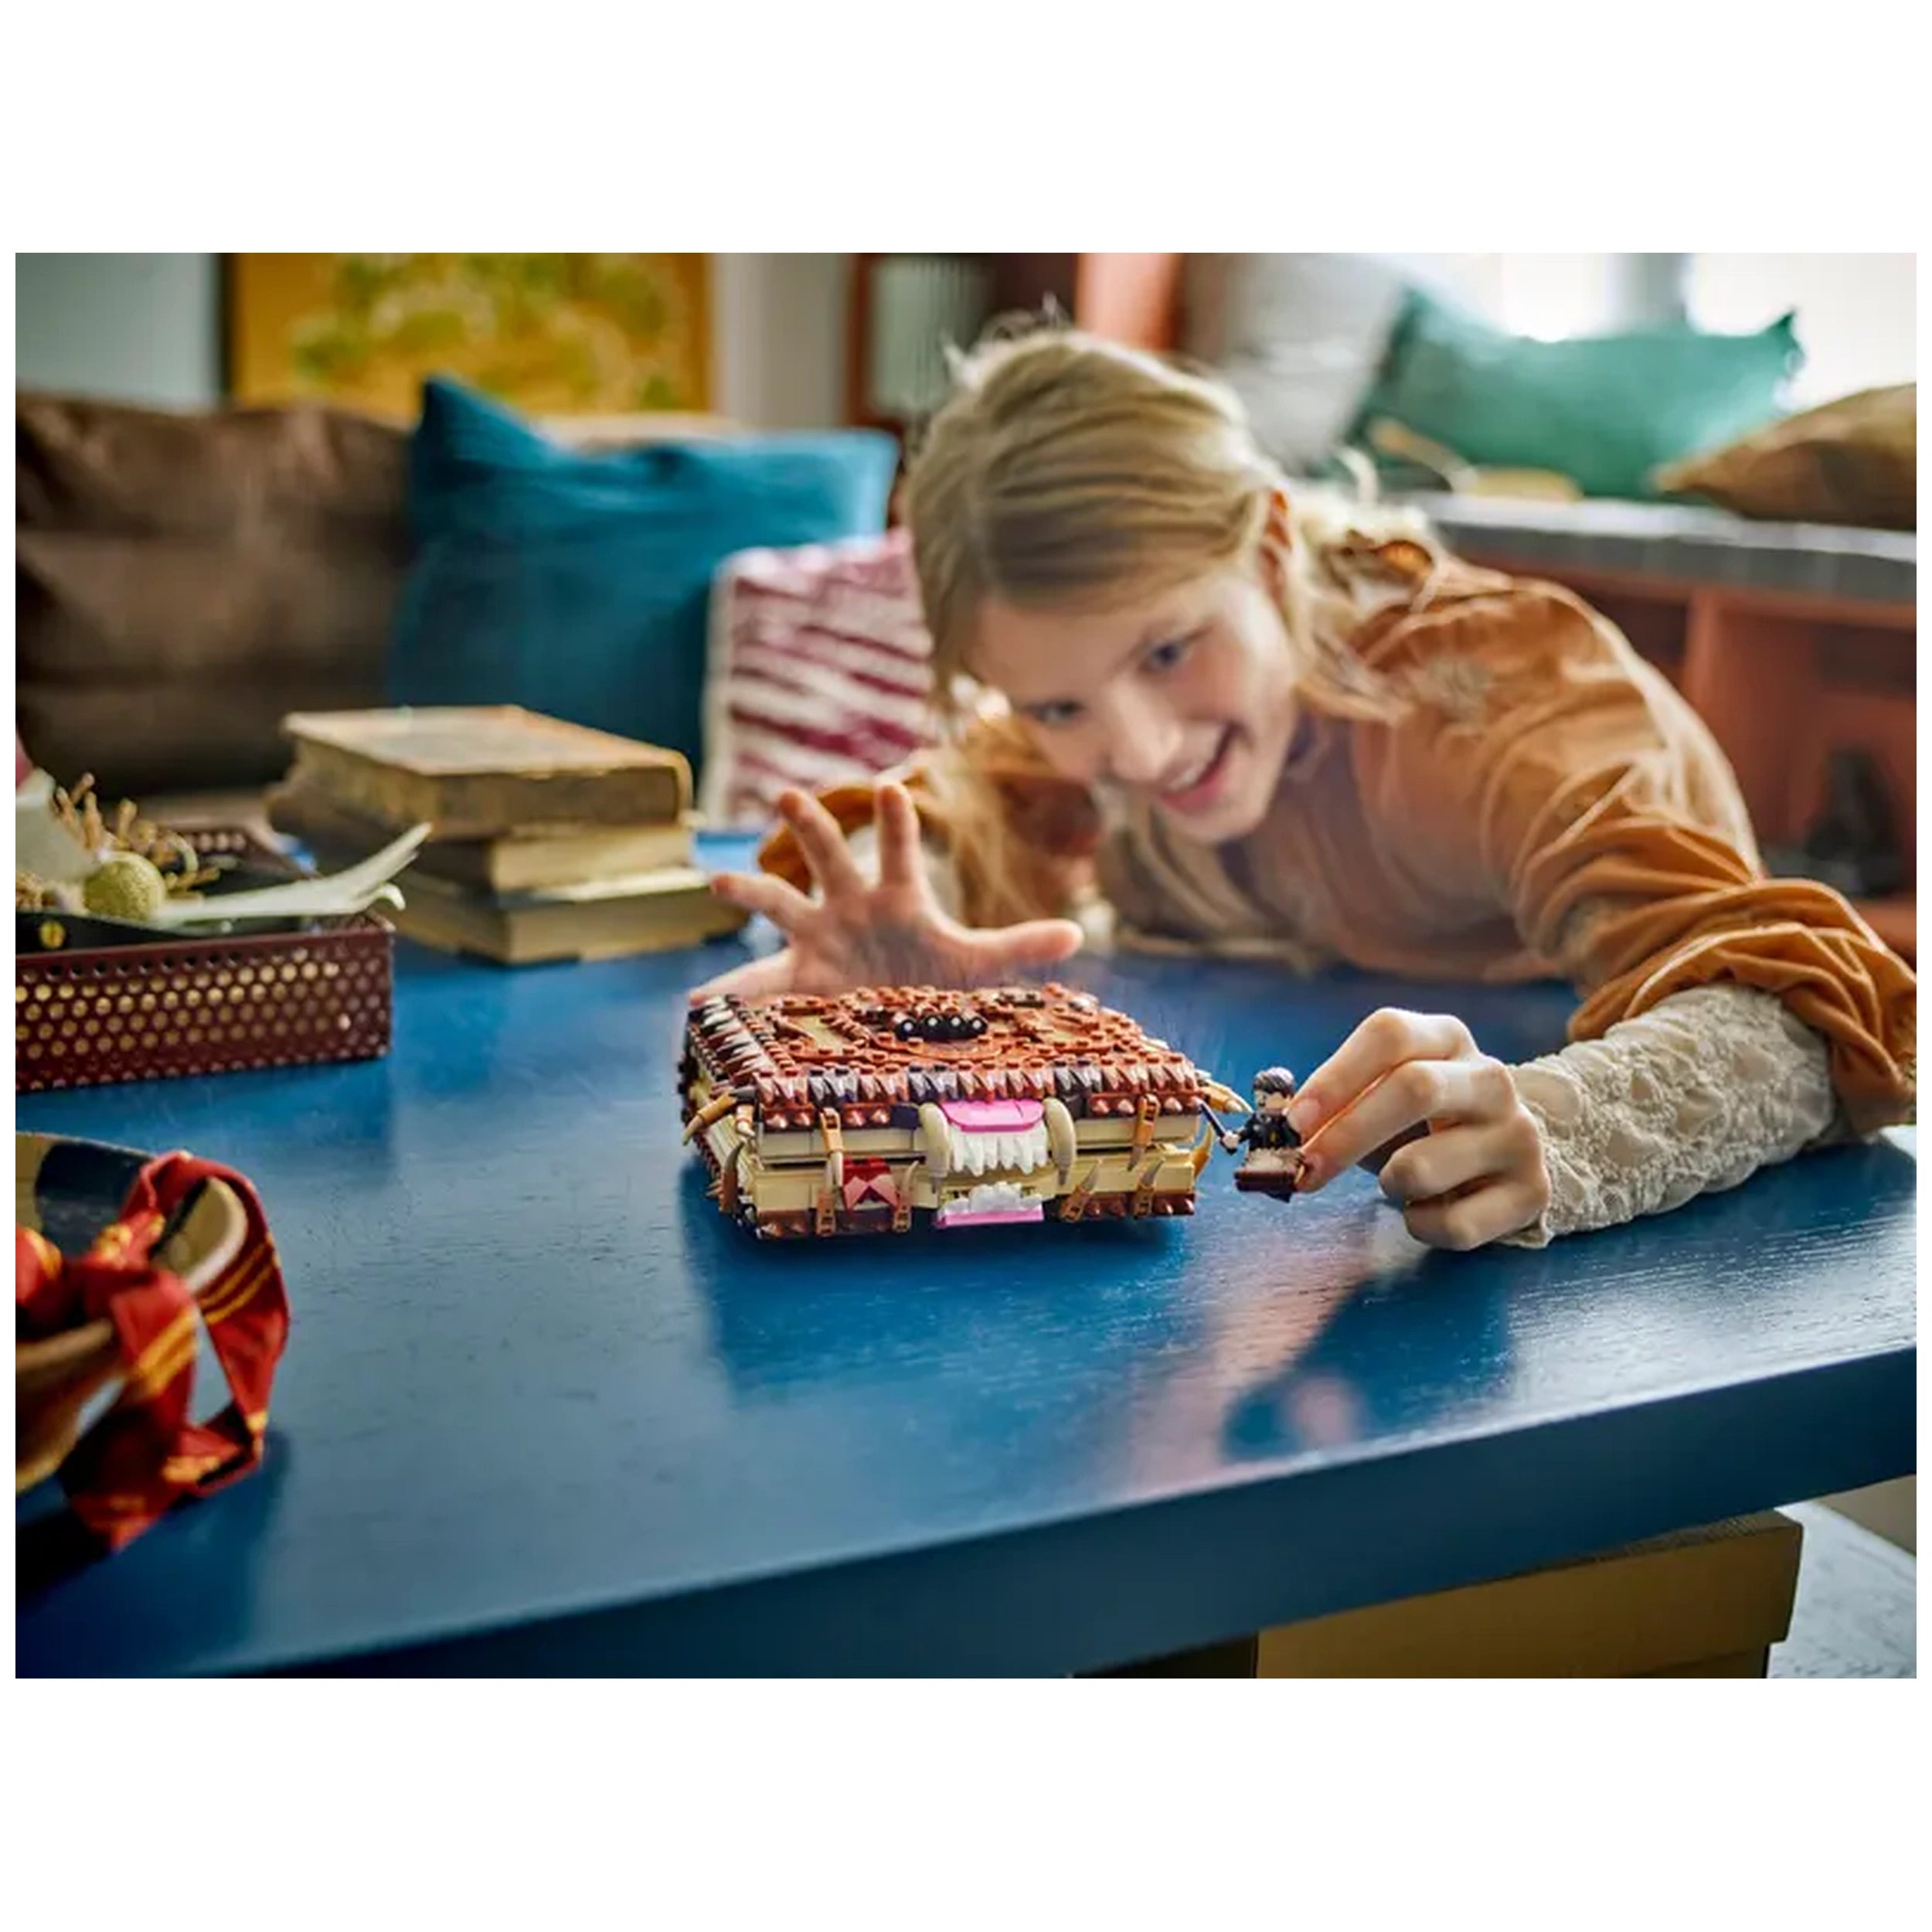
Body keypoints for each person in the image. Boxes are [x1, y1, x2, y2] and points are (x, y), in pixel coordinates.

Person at [699, 323, 1915, 1251]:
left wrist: (1565, 1128)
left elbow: (1802, 1019)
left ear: (1271, 550)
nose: (1135, 749)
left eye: (1168, 651)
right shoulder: (1099, 731)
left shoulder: (1500, 712)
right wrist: (911, 943)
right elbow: (968, 804)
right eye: (1059, 704)